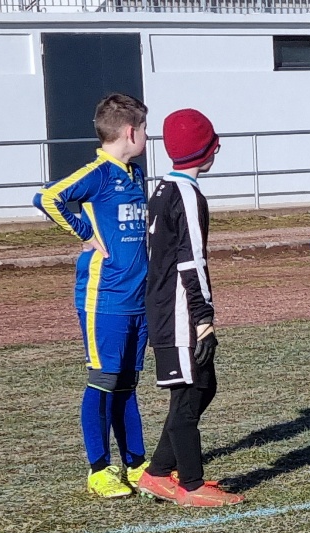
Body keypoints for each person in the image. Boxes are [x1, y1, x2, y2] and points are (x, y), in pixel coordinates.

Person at [33, 93, 150, 498]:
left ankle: (136, 463)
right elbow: (47, 197)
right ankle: (99, 469)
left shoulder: (135, 174)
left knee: (127, 384)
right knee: (103, 380)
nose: (147, 136)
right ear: (131, 132)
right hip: (105, 298)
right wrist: (84, 233)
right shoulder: (98, 173)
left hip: (138, 298)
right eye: (145, 129)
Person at [137, 108, 245, 507]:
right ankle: (191, 484)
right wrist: (203, 318)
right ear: (206, 150)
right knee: (187, 394)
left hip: (167, 307)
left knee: (204, 385)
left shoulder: (162, 189)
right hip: (179, 311)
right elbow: (191, 260)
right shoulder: (185, 194)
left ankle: (157, 472)